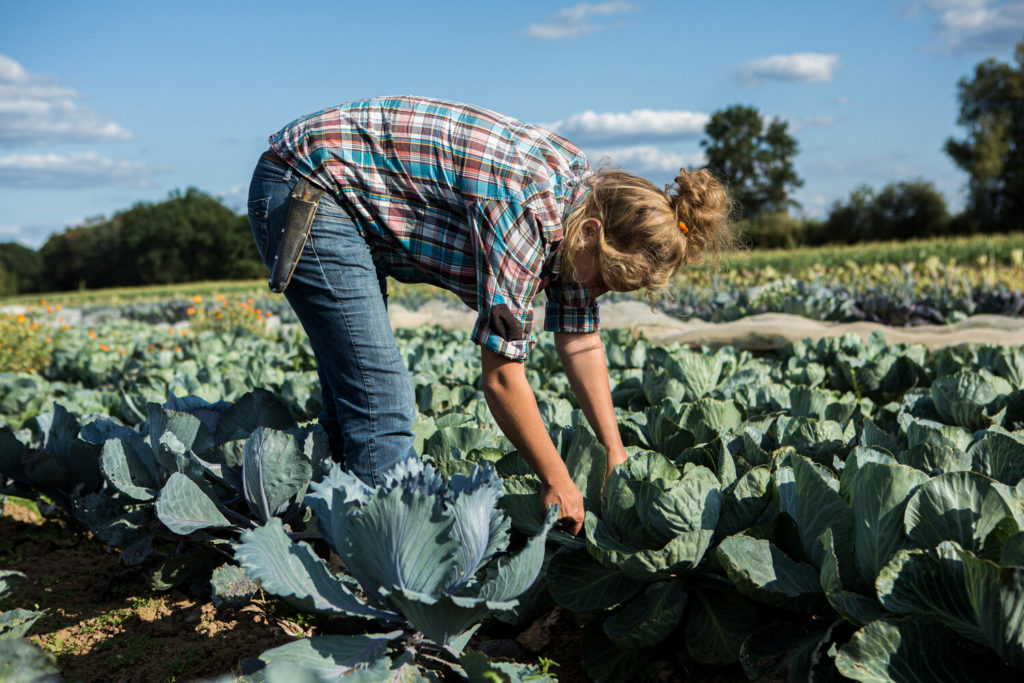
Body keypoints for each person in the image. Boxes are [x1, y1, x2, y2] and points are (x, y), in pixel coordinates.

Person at [247, 95, 735, 535]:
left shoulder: (584, 213)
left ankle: (340, 536)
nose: (597, 293)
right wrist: (557, 479)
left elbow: (581, 340)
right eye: (604, 280)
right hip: (306, 185)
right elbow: (501, 378)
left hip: (335, 196)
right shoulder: (526, 211)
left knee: (355, 403)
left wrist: (615, 449)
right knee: (383, 401)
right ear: (591, 232)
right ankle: (382, 578)